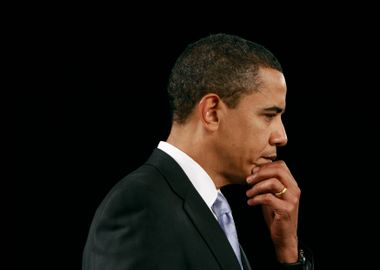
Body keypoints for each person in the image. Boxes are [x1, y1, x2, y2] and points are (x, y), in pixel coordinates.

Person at [82, 33, 314, 270]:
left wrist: (288, 253)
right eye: (269, 115)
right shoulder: (140, 207)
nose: (281, 136)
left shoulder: (210, 207)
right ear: (212, 112)